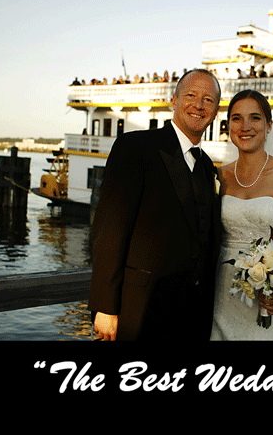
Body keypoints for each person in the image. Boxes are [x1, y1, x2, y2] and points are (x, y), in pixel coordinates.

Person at [88, 69, 222, 341]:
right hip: (139, 312)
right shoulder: (135, 147)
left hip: (192, 318)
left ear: (216, 111)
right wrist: (105, 307)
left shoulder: (207, 166)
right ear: (174, 100)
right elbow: (110, 229)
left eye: (208, 100)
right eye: (191, 95)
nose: (199, 105)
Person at [210, 89, 273, 340]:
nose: (245, 126)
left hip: (267, 300)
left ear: (268, 126)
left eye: (255, 118)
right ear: (228, 126)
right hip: (220, 294)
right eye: (236, 118)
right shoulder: (218, 176)